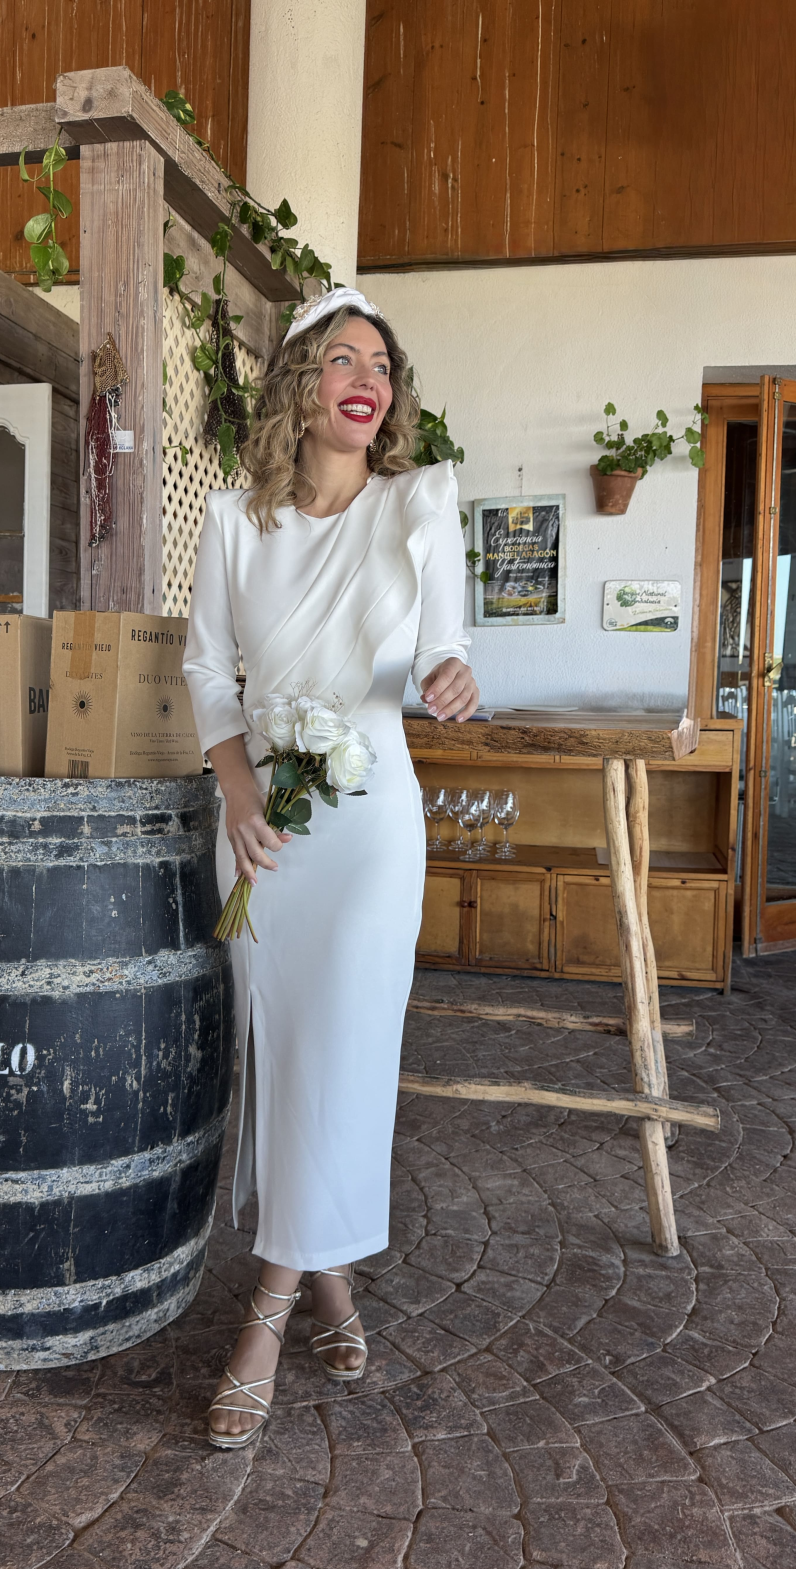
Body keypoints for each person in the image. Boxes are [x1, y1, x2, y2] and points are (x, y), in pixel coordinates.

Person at [183, 286, 479, 1448]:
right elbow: (210, 674)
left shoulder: (419, 504)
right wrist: (239, 792)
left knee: (346, 1052)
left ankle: (262, 1309)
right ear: (303, 383)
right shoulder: (228, 522)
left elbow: (444, 642)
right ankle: (334, 1285)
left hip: (367, 828)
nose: (372, 377)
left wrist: (452, 672)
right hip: (263, 830)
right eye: (346, 356)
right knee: (283, 1052)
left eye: (385, 364)